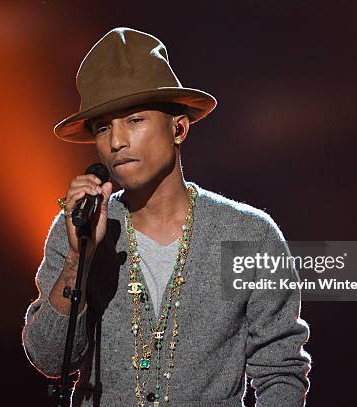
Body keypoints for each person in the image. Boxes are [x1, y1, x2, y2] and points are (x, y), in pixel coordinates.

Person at [22, 27, 311, 406]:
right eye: (103, 127)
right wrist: (79, 259)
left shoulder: (250, 234)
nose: (116, 141)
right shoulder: (79, 227)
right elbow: (47, 357)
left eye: (134, 120)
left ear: (178, 128)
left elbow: (280, 371)